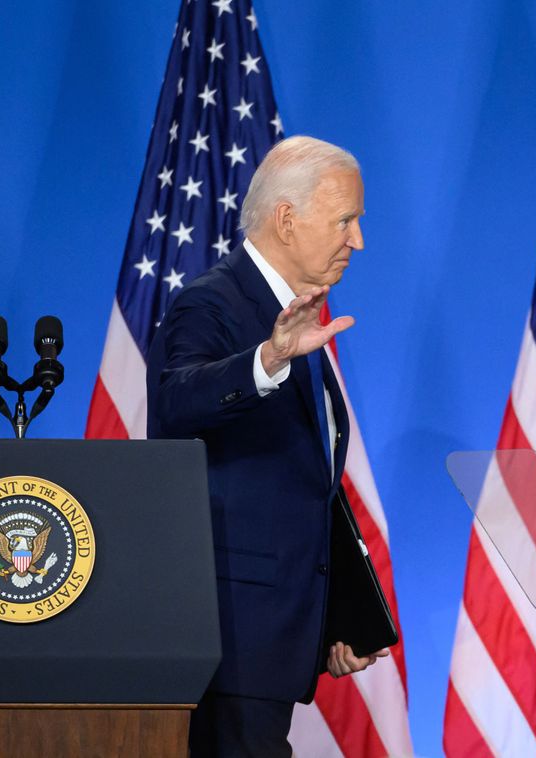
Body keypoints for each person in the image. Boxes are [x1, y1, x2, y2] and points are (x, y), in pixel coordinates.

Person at [146, 136, 388, 756]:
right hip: (227, 639)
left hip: (271, 641)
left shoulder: (294, 315)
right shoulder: (215, 302)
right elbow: (175, 403)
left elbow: (299, 484)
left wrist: (333, 615)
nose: (357, 241)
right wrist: (267, 358)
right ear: (287, 219)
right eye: (346, 221)